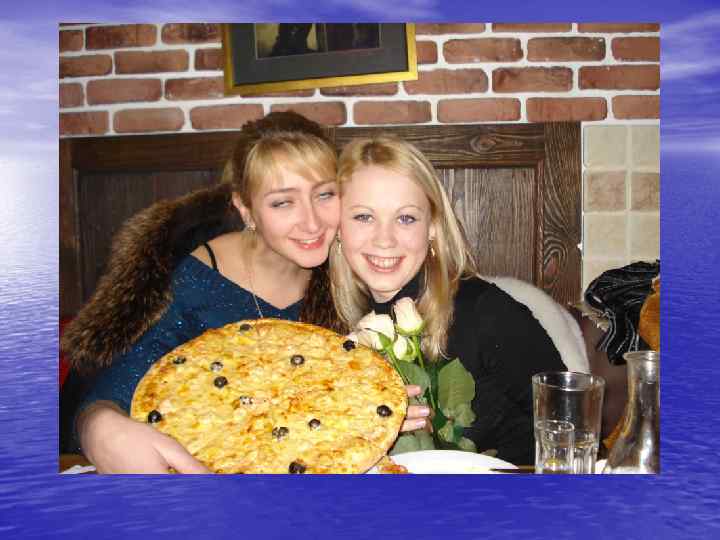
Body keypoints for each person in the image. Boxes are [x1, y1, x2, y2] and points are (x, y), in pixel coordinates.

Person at [62, 112, 428, 473]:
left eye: (324, 194)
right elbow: (108, 395)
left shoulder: (355, 261)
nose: (312, 222)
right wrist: (99, 428)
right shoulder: (195, 280)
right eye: (282, 202)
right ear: (246, 209)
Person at [329, 136, 567, 465]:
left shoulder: (487, 312)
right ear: (337, 227)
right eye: (363, 217)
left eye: (406, 218)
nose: (384, 239)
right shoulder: (328, 323)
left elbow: (572, 424)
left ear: (433, 228)